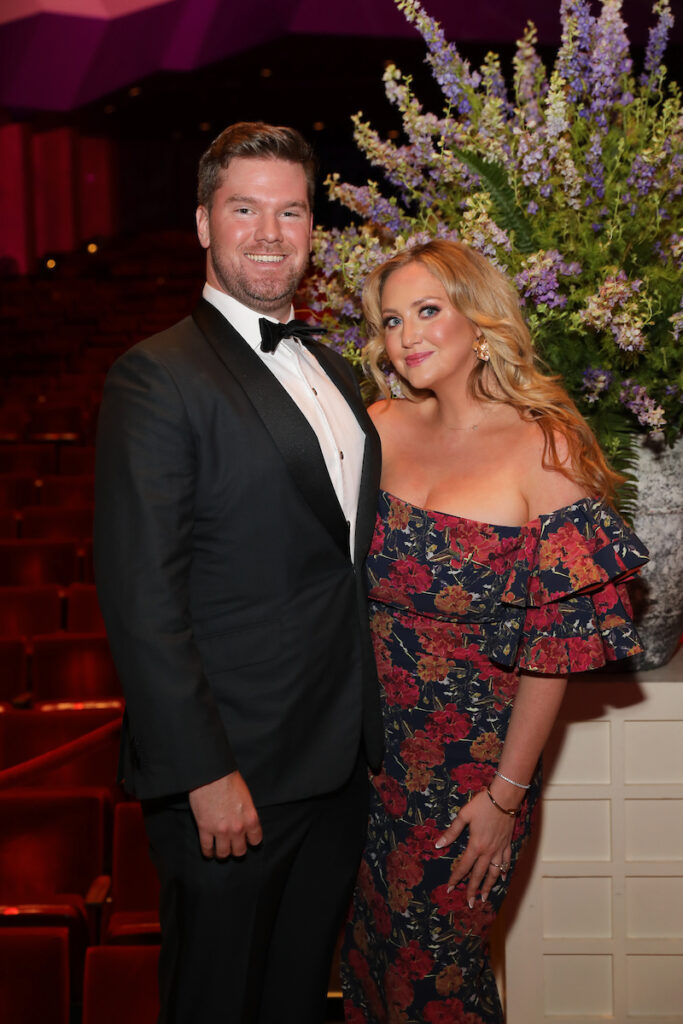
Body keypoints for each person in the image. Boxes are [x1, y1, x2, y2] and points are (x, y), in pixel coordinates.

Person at [94, 121, 383, 1024]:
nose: (268, 233)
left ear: (312, 228)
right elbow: (142, 599)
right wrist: (202, 773)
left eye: (290, 211)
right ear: (202, 223)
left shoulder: (335, 370)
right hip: (233, 779)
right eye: (244, 209)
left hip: (337, 766)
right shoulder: (155, 376)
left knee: (296, 1000)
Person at [341, 239, 648, 1023]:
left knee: (436, 980)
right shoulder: (377, 425)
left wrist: (505, 798)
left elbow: (555, 647)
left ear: (479, 320)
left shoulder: (543, 446)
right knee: (367, 967)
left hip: (470, 773)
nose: (405, 335)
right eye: (390, 320)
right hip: (362, 759)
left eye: (427, 310)